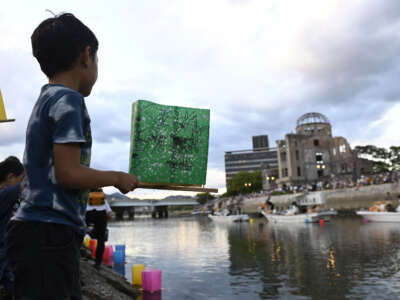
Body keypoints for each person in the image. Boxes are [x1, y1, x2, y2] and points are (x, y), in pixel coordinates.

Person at [5, 13, 138, 300]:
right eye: (98, 60)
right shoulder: (69, 101)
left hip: (36, 233)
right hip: (48, 235)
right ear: (86, 55)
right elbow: (68, 174)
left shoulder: (47, 98)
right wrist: (116, 177)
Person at [0, 157, 24, 300]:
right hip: (2, 249)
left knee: (12, 282)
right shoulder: (6, 193)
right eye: (20, 179)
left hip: (7, 249)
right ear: (10, 177)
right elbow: (28, 185)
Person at [86, 188, 113, 269]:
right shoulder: (103, 199)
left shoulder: (85, 196)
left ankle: (78, 256)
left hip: (89, 214)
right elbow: (110, 214)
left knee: (81, 234)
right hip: (101, 216)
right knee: (101, 240)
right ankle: (98, 263)